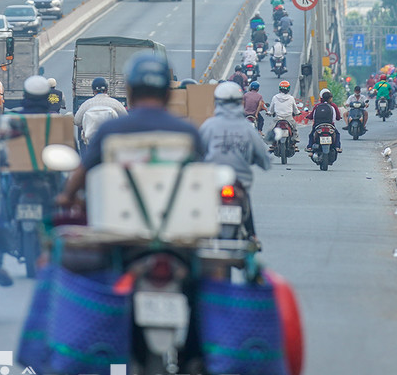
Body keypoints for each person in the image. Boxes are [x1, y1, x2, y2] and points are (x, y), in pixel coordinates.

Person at [58, 52, 202, 205]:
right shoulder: (188, 132)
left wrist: (66, 196)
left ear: (130, 90)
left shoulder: (110, 130)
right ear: (168, 93)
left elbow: (82, 174)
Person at [199, 81, 270, 240]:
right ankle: (252, 235)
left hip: (212, 181)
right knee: (245, 198)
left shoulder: (209, 126)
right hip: (240, 183)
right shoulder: (247, 129)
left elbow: (197, 152)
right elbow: (264, 158)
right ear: (240, 103)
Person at [74, 77, 126, 146]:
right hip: (111, 143)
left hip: (92, 143)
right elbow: (125, 118)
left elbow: (77, 121)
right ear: (107, 90)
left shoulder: (87, 104)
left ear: (93, 90)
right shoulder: (115, 103)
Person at [263, 80, 302, 148]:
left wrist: (270, 113)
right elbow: (295, 109)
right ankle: (295, 140)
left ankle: (272, 142)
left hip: (278, 118)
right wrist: (297, 113)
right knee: (294, 128)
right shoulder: (291, 98)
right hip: (289, 118)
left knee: (271, 128)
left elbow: (271, 109)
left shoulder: (275, 97)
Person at [306, 89, 342, 153]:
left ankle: (309, 147)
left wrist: (308, 117)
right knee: (337, 134)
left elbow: (312, 116)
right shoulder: (333, 106)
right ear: (330, 98)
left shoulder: (317, 106)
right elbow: (336, 118)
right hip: (330, 125)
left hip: (318, 125)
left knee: (311, 134)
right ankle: (337, 147)